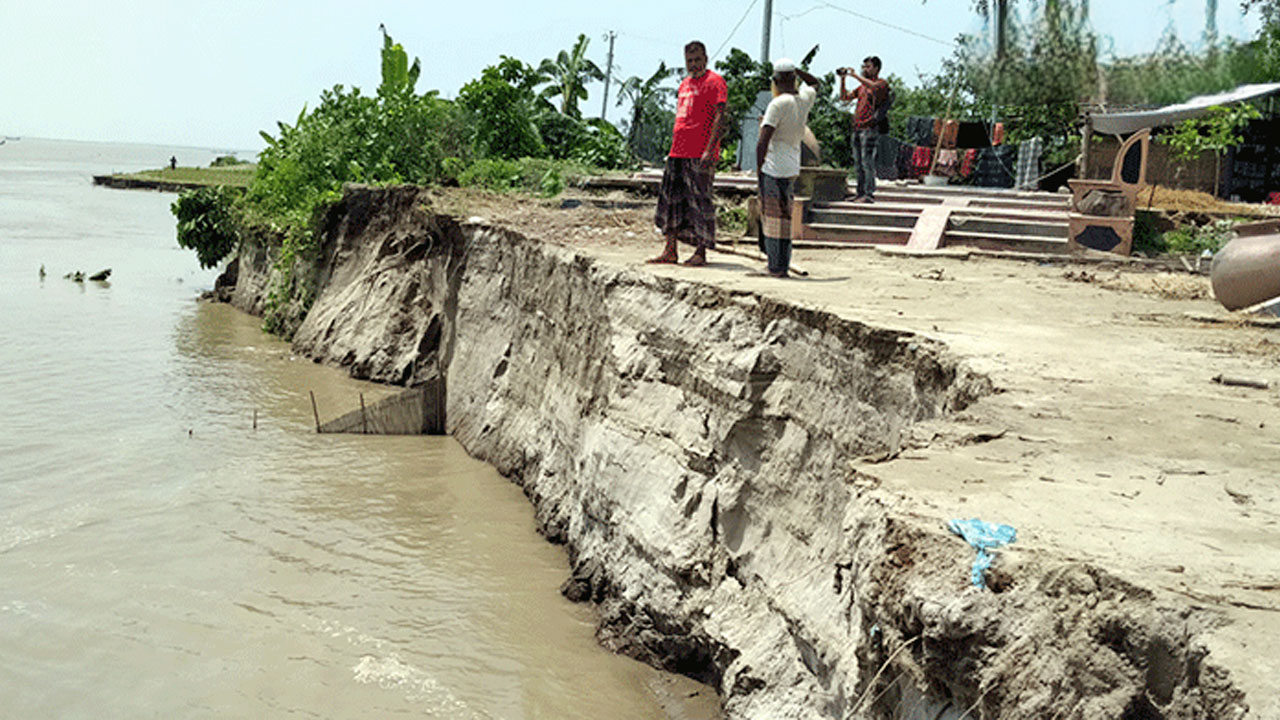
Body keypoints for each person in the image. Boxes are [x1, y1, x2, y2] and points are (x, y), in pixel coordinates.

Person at [651, 41, 727, 267]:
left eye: (697, 60)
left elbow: (720, 117)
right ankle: (670, 249)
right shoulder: (684, 84)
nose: (693, 65)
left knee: (700, 201)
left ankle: (701, 251)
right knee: (671, 201)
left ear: (706, 58)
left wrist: (709, 149)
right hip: (678, 151)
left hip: (700, 152)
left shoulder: (715, 82)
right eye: (689, 61)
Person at [755, 58, 820, 278]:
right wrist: (797, 71)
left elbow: (763, 141)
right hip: (792, 166)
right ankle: (782, 263)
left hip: (773, 167)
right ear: (793, 78)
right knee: (785, 219)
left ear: (775, 80)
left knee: (773, 220)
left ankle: (776, 267)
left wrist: (758, 169)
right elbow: (815, 83)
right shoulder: (804, 99)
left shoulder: (778, 104)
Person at [838, 57, 889, 203]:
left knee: (867, 162)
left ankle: (868, 194)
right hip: (857, 128)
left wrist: (854, 76)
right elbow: (844, 97)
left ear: (876, 68)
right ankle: (860, 193)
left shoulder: (881, 84)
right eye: (864, 66)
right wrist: (843, 80)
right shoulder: (861, 88)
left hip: (870, 128)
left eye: (868, 67)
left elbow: (874, 87)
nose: (865, 69)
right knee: (858, 163)